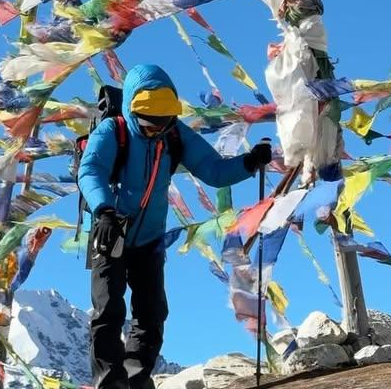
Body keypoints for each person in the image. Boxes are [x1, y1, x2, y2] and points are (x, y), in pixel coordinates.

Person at [78, 64, 272, 389]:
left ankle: (137, 382)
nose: (156, 128)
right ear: (132, 108)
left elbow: (213, 170)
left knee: (152, 315)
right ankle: (109, 384)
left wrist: (249, 163)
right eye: (149, 121)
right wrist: (105, 210)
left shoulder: (175, 134)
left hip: (150, 239)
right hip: (110, 229)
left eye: (163, 120)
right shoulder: (114, 131)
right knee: (108, 311)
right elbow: (91, 170)